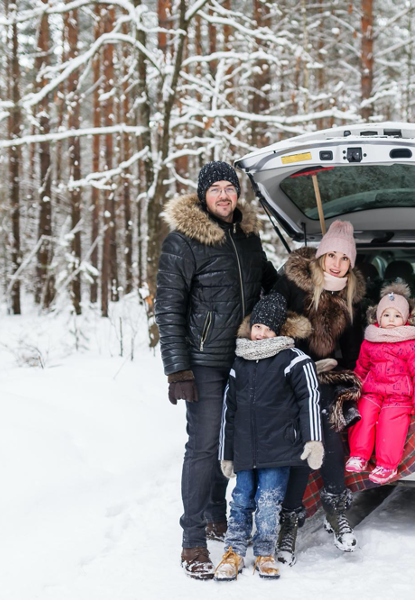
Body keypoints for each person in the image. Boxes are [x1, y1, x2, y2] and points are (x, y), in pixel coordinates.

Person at [155, 161, 278, 580]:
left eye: (231, 187)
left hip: (244, 357)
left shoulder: (247, 239)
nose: (225, 195)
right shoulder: (183, 241)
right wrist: (178, 371)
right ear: (203, 195)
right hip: (203, 360)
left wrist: (271, 309)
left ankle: (215, 513)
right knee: (204, 445)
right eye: (216, 189)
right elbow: (168, 309)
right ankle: (192, 540)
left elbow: (272, 286)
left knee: (231, 443)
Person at [272, 220, 366, 563]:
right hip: (290, 373)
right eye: (332, 255)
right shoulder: (294, 284)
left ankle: (336, 510)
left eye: (345, 258)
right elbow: (271, 326)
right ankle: (289, 524)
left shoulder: (350, 296)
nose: (337, 263)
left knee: (325, 429)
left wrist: (350, 374)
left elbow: (354, 351)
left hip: (327, 377)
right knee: (303, 435)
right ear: (322, 254)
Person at [214, 292, 324, 581]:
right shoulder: (240, 361)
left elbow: (309, 398)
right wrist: (226, 453)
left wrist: (313, 440)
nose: (261, 333)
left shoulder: (293, 360)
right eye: (257, 327)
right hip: (246, 449)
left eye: (268, 328)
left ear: (279, 331)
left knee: (269, 501)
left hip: (278, 447)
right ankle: (234, 551)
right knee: (240, 499)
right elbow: (230, 409)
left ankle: (265, 551)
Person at [347, 283, 415, 484]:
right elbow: (362, 367)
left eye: (397, 316)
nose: (391, 320)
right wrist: (354, 388)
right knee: (364, 413)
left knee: (391, 421)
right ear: (378, 317)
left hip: (400, 395)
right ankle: (359, 455)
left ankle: (386, 465)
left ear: (405, 319)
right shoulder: (370, 341)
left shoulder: (414, 344)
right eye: (387, 315)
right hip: (373, 392)